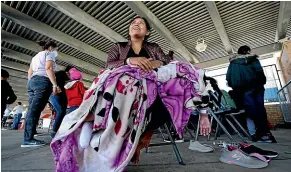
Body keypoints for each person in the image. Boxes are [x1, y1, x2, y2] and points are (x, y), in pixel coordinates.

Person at [107, 16, 211, 141]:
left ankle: (143, 127)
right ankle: (129, 131)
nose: (136, 24)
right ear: (129, 29)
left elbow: (166, 60)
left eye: (141, 23)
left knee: (183, 80)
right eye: (133, 23)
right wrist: (129, 60)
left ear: (147, 32)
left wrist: (158, 63)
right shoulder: (118, 47)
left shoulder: (153, 47)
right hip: (126, 91)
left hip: (153, 92)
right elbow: (109, 65)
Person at [226, 45, 276, 143]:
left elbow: (228, 78)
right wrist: (260, 83)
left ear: (239, 53)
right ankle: (265, 133)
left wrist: (236, 87)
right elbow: (260, 73)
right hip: (258, 88)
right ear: (248, 51)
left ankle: (258, 135)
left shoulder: (233, 63)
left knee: (252, 111)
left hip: (244, 90)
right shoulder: (254, 60)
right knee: (261, 110)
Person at [22, 41, 60, 147]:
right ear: (51, 47)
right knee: (34, 110)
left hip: (32, 81)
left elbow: (29, 72)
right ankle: (28, 139)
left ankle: (31, 133)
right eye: (56, 49)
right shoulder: (49, 54)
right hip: (43, 81)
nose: (56, 51)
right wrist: (54, 85)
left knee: (33, 109)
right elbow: (49, 68)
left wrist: (31, 82)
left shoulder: (35, 57)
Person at [48, 65, 72, 138]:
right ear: (67, 71)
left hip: (57, 95)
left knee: (62, 112)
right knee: (61, 111)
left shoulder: (64, 78)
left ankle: (58, 130)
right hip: (55, 94)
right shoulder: (61, 74)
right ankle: (54, 131)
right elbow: (54, 83)